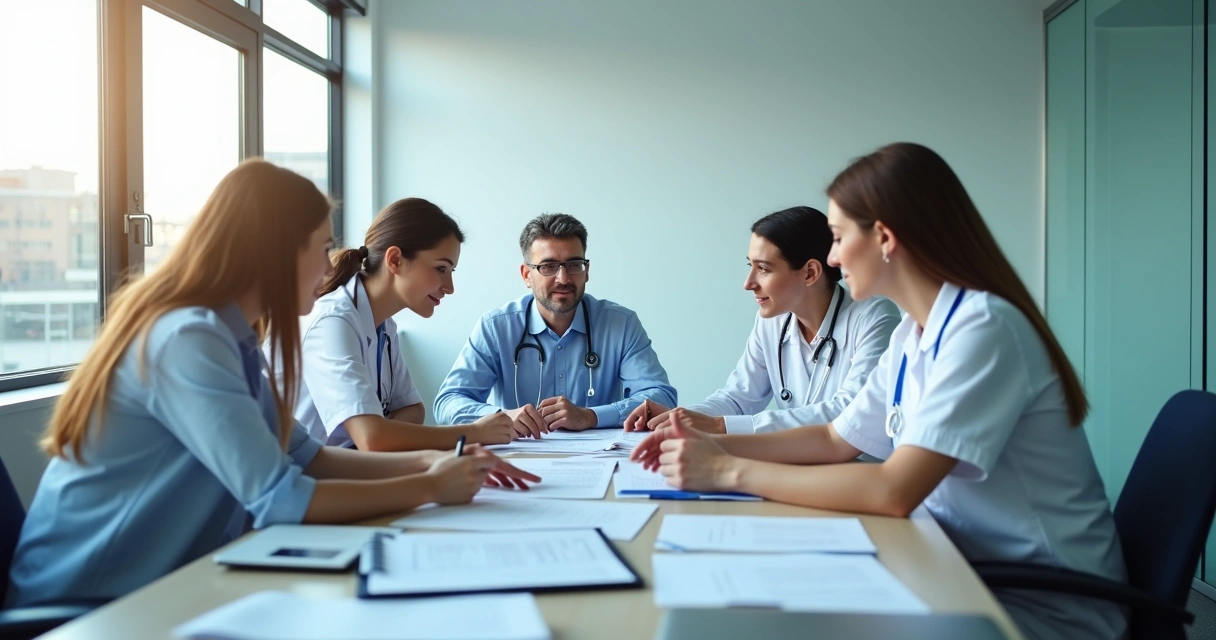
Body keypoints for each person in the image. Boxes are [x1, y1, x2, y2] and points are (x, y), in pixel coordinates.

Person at [631, 143, 1127, 640]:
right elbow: (834, 439)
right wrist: (709, 445)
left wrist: (727, 469)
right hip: (957, 566)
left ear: (884, 238)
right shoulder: (914, 332)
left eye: (839, 237)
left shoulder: (983, 329)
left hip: (1038, 607)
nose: (830, 257)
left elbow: (894, 490)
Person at [5, 160, 537, 607]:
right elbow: (281, 499)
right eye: (321, 246)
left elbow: (312, 458)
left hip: (172, 586)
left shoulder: (231, 338)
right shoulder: (187, 340)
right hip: (91, 607)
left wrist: (435, 462)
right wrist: (427, 484)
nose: (332, 262)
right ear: (276, 250)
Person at [622, 206, 898, 434]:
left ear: (810, 272)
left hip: (861, 472)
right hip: (800, 464)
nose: (748, 283)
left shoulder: (874, 318)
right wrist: (679, 416)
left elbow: (849, 411)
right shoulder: (771, 322)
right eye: (750, 266)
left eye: (763, 269)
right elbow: (738, 398)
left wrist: (719, 426)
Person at [274, 197, 517, 450]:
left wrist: (381, 430)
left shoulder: (384, 326)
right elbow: (373, 439)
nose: (449, 287)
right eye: (441, 269)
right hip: (297, 478)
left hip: (347, 469)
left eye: (451, 271)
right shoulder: (332, 322)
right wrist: (473, 432)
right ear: (395, 260)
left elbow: (413, 410)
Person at [434, 213, 677, 436]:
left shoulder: (621, 324)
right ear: (527, 275)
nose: (563, 278)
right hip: (520, 462)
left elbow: (662, 398)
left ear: (587, 271)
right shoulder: (496, 328)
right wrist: (501, 417)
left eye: (573, 265)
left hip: (601, 459)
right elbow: (448, 402)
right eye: (548, 266)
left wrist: (590, 416)